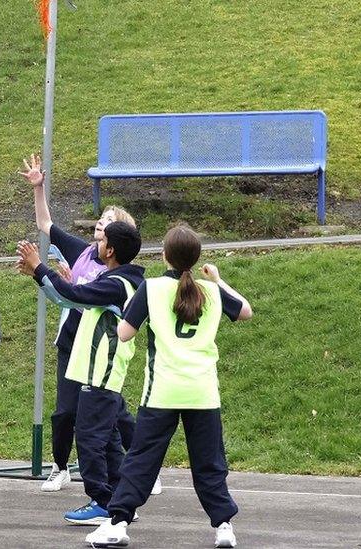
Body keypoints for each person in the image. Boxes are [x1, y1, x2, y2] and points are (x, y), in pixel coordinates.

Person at [85, 224, 253, 549]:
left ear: (164, 255)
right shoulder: (211, 291)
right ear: (196, 258)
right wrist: (218, 280)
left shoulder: (151, 288)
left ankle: (118, 523)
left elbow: (124, 334)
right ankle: (223, 527)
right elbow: (245, 311)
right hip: (202, 391)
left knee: (141, 459)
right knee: (209, 462)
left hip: (163, 390)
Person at [18, 154, 161, 496]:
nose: (99, 226)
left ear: (114, 243)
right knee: (80, 418)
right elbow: (47, 228)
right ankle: (106, 490)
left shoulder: (117, 280)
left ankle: (109, 495)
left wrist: (44, 272)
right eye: (100, 220)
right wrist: (39, 189)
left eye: (107, 223)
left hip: (101, 356)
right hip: (76, 344)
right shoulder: (87, 255)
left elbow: (75, 295)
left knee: (100, 429)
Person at [17, 220, 144, 526]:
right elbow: (68, 296)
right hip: (100, 374)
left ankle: (102, 501)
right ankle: (119, 502)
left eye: (102, 240)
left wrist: (39, 268)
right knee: (110, 439)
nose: (95, 243)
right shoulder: (118, 279)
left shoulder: (116, 285)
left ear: (110, 250)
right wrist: (40, 274)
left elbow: (73, 295)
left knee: (89, 438)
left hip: (100, 373)